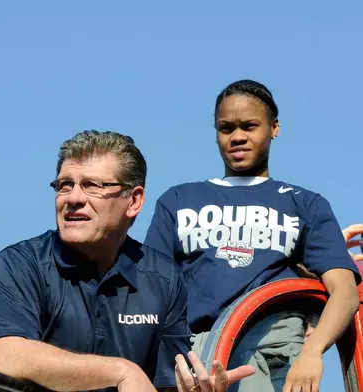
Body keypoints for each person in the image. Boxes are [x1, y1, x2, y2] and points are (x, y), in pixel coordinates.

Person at [0, 130, 253, 392]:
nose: (73, 198)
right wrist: (121, 371)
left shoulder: (164, 278)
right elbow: (3, 356)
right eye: (65, 185)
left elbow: (166, 384)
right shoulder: (20, 265)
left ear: (133, 201)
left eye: (92, 186)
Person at [144, 79, 362, 392]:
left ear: (274, 128)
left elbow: (345, 293)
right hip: (197, 360)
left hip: (271, 355)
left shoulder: (304, 203)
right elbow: (152, 295)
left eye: (249, 126)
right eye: (226, 128)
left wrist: (312, 353)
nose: (237, 137)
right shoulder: (178, 200)